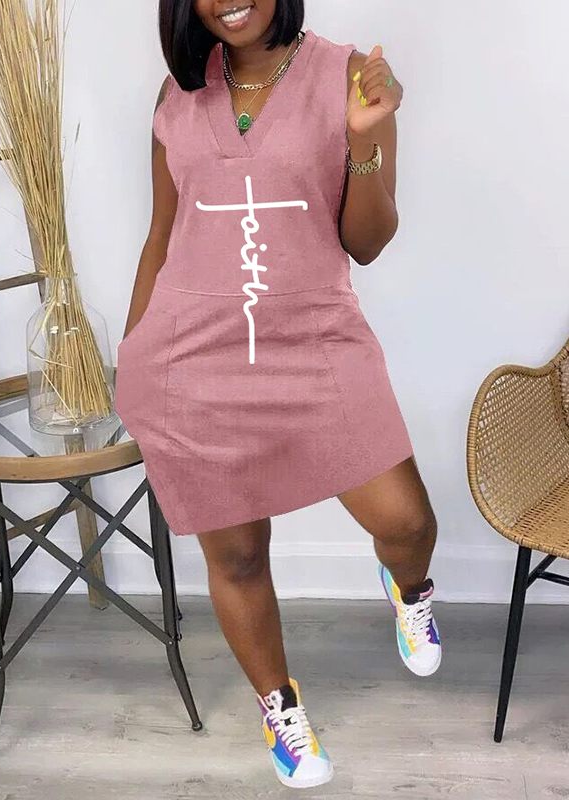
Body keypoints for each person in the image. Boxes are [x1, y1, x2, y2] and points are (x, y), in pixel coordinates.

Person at [115, 0, 441, 789]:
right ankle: (280, 709)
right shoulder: (175, 94)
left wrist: (362, 139)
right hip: (195, 363)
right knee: (236, 554)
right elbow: (162, 236)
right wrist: (133, 355)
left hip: (317, 346)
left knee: (406, 522)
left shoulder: (349, 76)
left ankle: (409, 589)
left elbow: (366, 242)